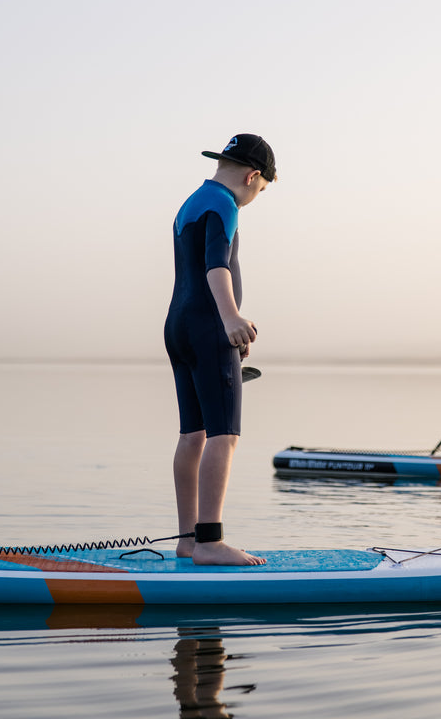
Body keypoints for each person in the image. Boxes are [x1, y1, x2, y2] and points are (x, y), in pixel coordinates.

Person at [164, 134, 276, 565]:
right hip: (209, 323)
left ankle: (188, 538)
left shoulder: (191, 201)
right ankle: (210, 542)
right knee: (223, 434)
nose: (254, 197)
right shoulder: (225, 204)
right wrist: (230, 319)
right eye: (260, 191)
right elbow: (216, 265)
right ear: (252, 176)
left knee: (191, 434)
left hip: (178, 326)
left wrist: (223, 325)